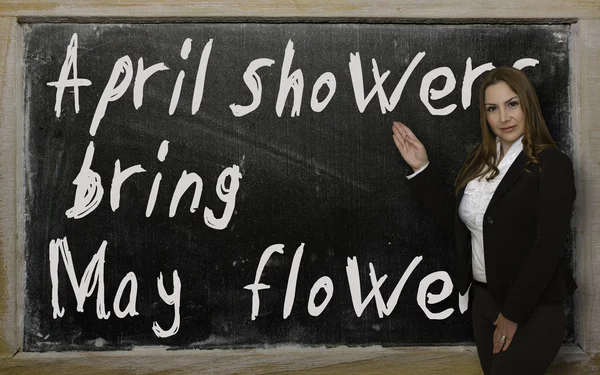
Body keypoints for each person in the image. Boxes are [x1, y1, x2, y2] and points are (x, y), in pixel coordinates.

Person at [392, 66, 576, 375]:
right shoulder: (479, 162)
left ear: (528, 104)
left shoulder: (551, 164)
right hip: (484, 302)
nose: (504, 117)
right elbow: (460, 225)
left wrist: (513, 314)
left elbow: (548, 246)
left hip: (531, 308)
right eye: (493, 108)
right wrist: (422, 168)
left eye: (512, 104)